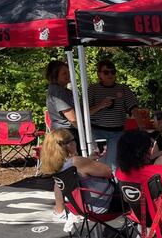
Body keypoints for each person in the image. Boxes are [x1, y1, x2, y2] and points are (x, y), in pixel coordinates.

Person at [39, 129, 120, 219]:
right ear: (68, 145)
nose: (76, 143)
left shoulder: (57, 165)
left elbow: (60, 183)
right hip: (106, 205)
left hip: (82, 209)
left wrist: (89, 160)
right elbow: (109, 172)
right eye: (74, 140)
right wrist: (90, 162)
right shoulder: (77, 161)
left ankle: (59, 211)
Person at [88, 60, 143, 170]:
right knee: (100, 162)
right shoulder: (92, 89)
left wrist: (142, 127)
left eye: (113, 72)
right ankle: (102, 185)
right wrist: (101, 105)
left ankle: (113, 185)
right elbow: (85, 113)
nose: (110, 75)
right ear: (99, 74)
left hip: (117, 132)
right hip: (97, 131)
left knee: (113, 163)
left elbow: (134, 108)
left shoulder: (123, 89)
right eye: (106, 72)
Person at [44, 60, 79, 222]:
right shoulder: (57, 92)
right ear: (55, 76)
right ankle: (59, 210)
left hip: (66, 133)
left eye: (68, 72)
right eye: (64, 73)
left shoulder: (62, 90)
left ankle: (69, 208)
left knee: (68, 171)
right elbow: (73, 118)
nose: (68, 75)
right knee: (64, 172)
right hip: (64, 136)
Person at [114, 130, 162, 197]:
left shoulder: (119, 173)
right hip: (160, 207)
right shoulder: (160, 172)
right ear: (144, 150)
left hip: (136, 207)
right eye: (150, 145)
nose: (151, 148)